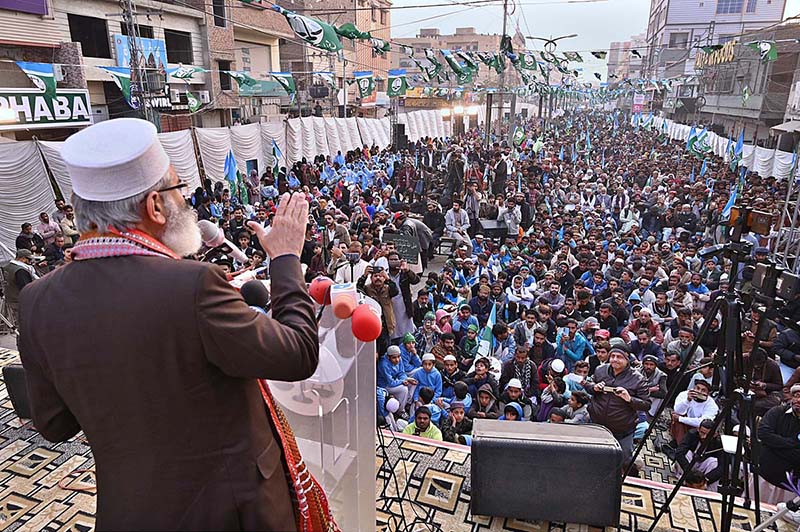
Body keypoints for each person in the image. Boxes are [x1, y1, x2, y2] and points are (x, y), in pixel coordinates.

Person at [18, 118, 320, 531]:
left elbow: (55, 425)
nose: (188, 202)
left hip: (129, 513)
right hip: (233, 515)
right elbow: (299, 353)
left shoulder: (36, 301)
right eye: (179, 189)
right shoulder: (192, 287)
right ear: (155, 206)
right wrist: (285, 258)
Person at [586, 348, 652, 469]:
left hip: (622, 429)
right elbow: (588, 385)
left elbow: (647, 405)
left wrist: (629, 399)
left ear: (627, 360)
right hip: (596, 424)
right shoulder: (600, 370)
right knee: (594, 454)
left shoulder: (638, 379)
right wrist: (594, 387)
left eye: (619, 357)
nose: (615, 360)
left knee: (622, 459)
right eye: (613, 356)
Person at [757, 384, 800, 509]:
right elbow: (763, 433)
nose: (798, 400)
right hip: (764, 478)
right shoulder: (777, 412)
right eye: (796, 396)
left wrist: (773, 447)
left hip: (788, 488)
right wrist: (793, 444)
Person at [674, 419, 723, 492]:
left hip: (703, 467)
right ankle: (685, 480)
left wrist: (705, 479)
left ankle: (707, 490)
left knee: (714, 462)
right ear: (698, 429)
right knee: (687, 453)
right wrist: (689, 473)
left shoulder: (719, 443)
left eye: (708, 435)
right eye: (702, 433)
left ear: (715, 434)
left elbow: (721, 467)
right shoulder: (691, 434)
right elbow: (679, 453)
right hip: (690, 464)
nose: (704, 437)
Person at [670, 379, 719, 445]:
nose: (699, 392)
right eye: (697, 388)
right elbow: (678, 411)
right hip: (684, 423)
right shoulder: (684, 394)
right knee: (676, 416)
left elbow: (703, 423)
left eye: (703, 390)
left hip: (697, 428)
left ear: (708, 393)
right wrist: (687, 400)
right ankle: (680, 444)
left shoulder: (712, 406)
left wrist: (680, 419)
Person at [1, 248, 39, 325]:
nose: (30, 262)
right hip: (21, 302)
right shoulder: (21, 271)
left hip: (12, 299)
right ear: (22, 259)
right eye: (29, 259)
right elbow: (27, 288)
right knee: (26, 325)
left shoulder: (7, 267)